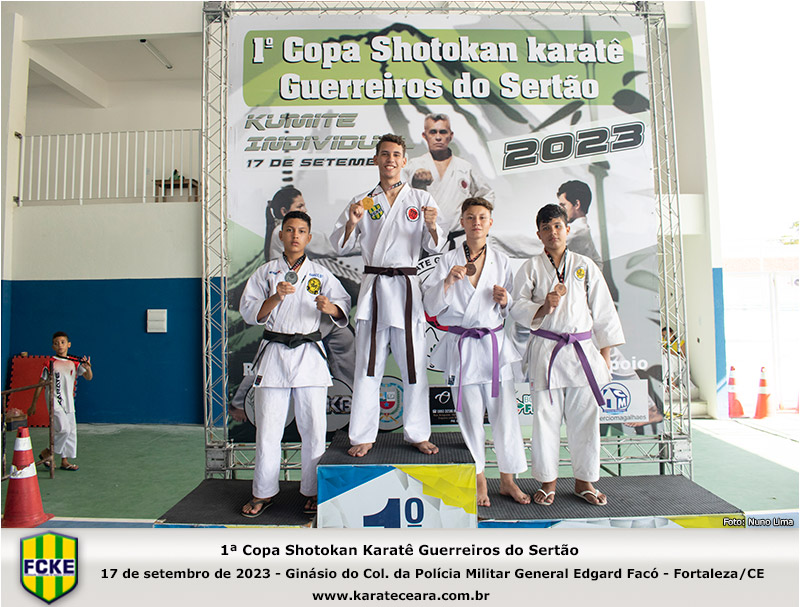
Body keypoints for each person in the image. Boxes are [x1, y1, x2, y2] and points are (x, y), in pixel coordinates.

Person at [330, 133, 445, 458]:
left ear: (404, 161)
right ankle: (362, 434)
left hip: (406, 291)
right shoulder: (363, 201)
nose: (390, 159)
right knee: (368, 366)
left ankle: (418, 433)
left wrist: (432, 226)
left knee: (413, 367)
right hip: (375, 291)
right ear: (376, 159)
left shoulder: (421, 199)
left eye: (396, 154)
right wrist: (352, 222)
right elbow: (339, 246)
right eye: (384, 154)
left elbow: (436, 245)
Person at [511, 204, 624, 506]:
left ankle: (584, 481)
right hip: (546, 353)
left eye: (557, 226)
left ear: (567, 229)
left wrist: (605, 355)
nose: (553, 232)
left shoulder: (584, 265)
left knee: (585, 419)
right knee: (544, 420)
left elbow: (604, 311)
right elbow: (517, 306)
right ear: (539, 234)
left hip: (581, 353)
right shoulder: (531, 267)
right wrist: (542, 307)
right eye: (546, 228)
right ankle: (548, 481)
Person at [239, 210, 351, 517]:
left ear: (309, 237)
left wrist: (332, 308)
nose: (295, 236)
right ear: (281, 235)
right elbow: (249, 311)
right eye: (289, 230)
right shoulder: (266, 273)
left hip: (308, 355)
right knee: (268, 429)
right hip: (274, 353)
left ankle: (312, 491)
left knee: (314, 429)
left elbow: (343, 305)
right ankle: (263, 492)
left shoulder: (321, 274)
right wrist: (275, 298)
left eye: (301, 231)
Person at [422, 197, 529, 507]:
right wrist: (447, 281)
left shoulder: (503, 261)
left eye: (482, 217)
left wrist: (505, 301)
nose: (477, 222)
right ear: (462, 222)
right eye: (470, 217)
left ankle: (508, 480)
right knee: (468, 416)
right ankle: (479, 478)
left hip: (494, 347)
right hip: (463, 347)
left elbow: (513, 309)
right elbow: (430, 306)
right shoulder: (447, 260)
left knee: (505, 416)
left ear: (490, 223)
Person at [404, 113, 494, 248]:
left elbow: (487, 194)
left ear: (450, 136)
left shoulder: (465, 167)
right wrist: (417, 178)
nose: (438, 137)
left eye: (443, 132)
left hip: (459, 238)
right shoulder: (415, 164)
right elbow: (403, 194)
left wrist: (476, 217)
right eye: (433, 132)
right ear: (425, 136)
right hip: (426, 238)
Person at [28, 332, 93, 472]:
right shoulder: (50, 363)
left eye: (63, 342)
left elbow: (88, 377)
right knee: (64, 429)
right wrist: (33, 404)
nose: (60, 345)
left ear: (68, 344)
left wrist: (88, 368)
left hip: (69, 401)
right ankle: (47, 452)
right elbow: (40, 384)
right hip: (54, 401)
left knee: (71, 433)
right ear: (53, 347)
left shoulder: (74, 362)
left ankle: (64, 461)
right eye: (56, 343)